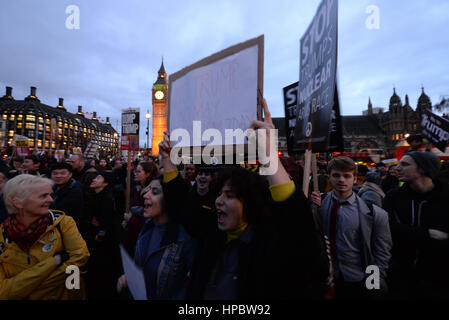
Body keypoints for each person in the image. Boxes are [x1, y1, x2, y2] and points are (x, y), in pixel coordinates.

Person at [157, 99, 329, 299]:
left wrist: (268, 154)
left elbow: (296, 226)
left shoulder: (269, 245)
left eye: (229, 196)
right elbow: (181, 207)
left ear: (249, 202)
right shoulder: (211, 235)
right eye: (219, 194)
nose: (219, 201)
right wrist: (168, 161)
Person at [0, 174, 89, 299]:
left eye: (50, 194)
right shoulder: (2, 235)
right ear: (18, 202)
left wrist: (23, 287)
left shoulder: (63, 223)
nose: (51, 200)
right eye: (43, 196)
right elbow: (2, 292)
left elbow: (79, 260)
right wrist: (54, 261)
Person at [320, 156, 392, 299]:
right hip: (328, 279)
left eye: (346, 176)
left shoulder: (374, 214)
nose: (341, 180)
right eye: (336, 175)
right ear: (329, 177)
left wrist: (373, 284)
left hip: (358, 279)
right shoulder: (321, 205)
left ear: (354, 179)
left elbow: (381, 252)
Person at [116, 175, 197, 300]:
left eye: (154, 192)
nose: (145, 195)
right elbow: (143, 269)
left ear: (170, 200)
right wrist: (130, 278)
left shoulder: (185, 240)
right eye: (148, 190)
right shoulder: (148, 227)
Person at [383, 151, 449, 298]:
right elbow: (388, 228)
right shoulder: (394, 197)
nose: (397, 168)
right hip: (402, 276)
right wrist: (428, 234)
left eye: (405, 164)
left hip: (439, 277)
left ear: (423, 169)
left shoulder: (445, 198)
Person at [86, 171, 122, 299]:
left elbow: (106, 225)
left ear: (105, 183)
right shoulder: (95, 196)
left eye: (98, 178)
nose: (94, 179)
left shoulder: (107, 199)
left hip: (104, 246)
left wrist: (97, 239)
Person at [122, 161, 159, 257]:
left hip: (141, 239)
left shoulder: (151, 194)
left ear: (147, 174)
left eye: (138, 172)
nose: (135, 173)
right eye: (135, 171)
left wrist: (130, 219)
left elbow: (148, 220)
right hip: (133, 236)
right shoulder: (139, 188)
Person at [49, 162, 84, 232]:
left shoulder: (75, 190)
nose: (58, 176)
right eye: (55, 173)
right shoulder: (53, 187)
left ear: (70, 174)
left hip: (68, 228)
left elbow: (61, 210)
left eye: (62, 173)